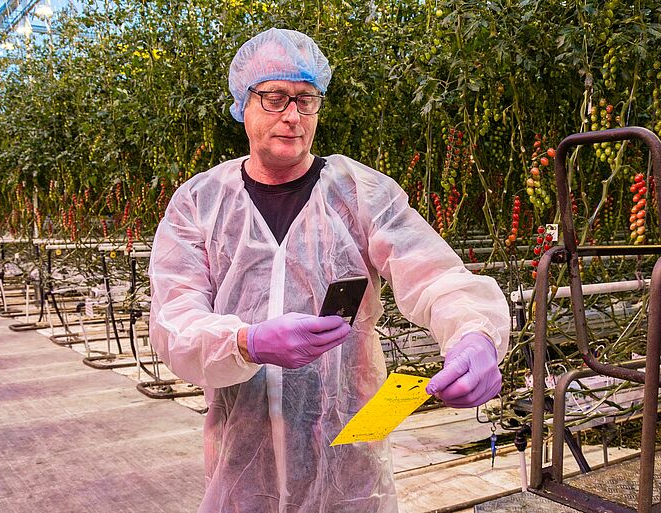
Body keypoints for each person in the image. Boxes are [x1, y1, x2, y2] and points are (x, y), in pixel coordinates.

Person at [148, 27, 510, 513]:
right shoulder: (200, 202)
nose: (292, 115)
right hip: (242, 460)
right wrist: (245, 342)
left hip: (347, 459)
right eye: (274, 97)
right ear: (242, 105)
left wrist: (474, 334)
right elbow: (173, 321)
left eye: (306, 99)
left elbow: (436, 276)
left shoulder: (359, 192)